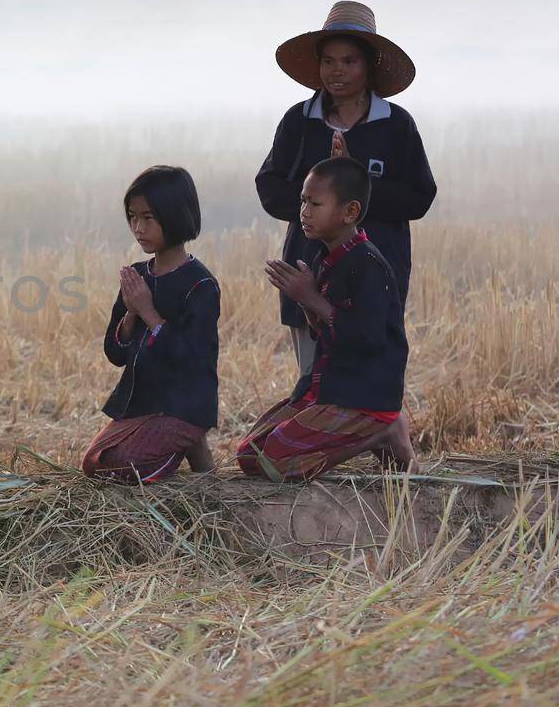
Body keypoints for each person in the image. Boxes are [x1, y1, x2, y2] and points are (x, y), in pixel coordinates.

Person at [256, 1, 436, 377]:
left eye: (349, 61)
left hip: (377, 271)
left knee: (372, 384)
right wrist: (319, 202)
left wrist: (359, 184)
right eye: (329, 61)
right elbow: (269, 187)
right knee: (314, 381)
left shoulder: (395, 125)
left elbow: (420, 197)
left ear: (369, 66)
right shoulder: (299, 122)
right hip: (308, 271)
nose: (337, 71)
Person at [239, 157, 414, 481]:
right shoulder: (328, 257)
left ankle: (382, 431)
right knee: (250, 455)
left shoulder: (368, 266)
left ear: (349, 212)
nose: (304, 211)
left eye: (315, 203)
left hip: (362, 395)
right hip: (329, 388)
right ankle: (369, 433)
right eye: (303, 200)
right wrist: (307, 303)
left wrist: (313, 300)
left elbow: (368, 340)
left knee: (274, 464)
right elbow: (330, 333)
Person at [82, 166, 219, 482]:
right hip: (143, 403)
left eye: (148, 217)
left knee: (117, 466)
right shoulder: (137, 274)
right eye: (132, 217)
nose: (137, 227)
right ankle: (190, 445)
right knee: (93, 464)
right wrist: (132, 313)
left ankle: (188, 437)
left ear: (175, 215)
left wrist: (150, 314)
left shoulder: (200, 285)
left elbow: (192, 361)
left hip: (185, 404)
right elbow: (115, 354)